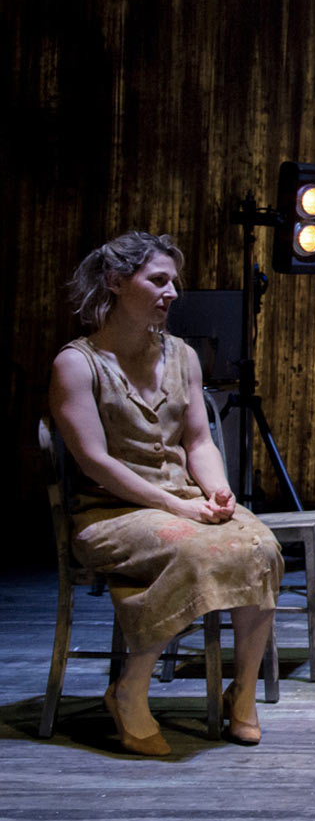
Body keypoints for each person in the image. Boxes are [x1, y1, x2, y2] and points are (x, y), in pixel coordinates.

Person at [49, 232, 283, 755]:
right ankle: (130, 690)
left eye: (174, 281)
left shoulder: (182, 356)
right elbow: (95, 461)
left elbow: (198, 441)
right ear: (116, 282)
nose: (172, 292)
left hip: (183, 500)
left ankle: (242, 693)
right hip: (110, 513)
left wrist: (218, 492)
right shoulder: (78, 363)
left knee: (261, 547)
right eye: (158, 280)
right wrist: (178, 506)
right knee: (197, 551)